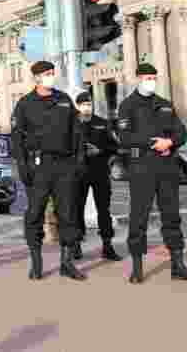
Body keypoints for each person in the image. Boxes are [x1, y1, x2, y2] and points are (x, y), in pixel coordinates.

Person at [117, 63, 187, 285]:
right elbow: (125, 137)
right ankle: (137, 268)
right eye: (147, 77)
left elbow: (181, 132)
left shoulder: (165, 105)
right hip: (141, 168)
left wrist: (170, 142)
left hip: (167, 168)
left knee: (172, 217)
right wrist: (152, 143)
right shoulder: (128, 106)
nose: (151, 81)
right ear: (138, 79)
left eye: (154, 77)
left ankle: (178, 266)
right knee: (139, 217)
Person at [11, 61, 86, 281]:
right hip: (39, 165)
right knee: (34, 214)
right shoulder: (25, 104)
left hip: (64, 165)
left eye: (52, 73)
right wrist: (23, 167)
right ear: (36, 78)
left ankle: (67, 262)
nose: (51, 77)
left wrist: (78, 162)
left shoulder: (63, 100)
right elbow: (17, 139)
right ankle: (36, 263)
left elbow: (77, 133)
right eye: (46, 74)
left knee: (68, 214)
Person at [73, 91, 121, 261]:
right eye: (84, 104)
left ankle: (107, 246)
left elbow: (115, 146)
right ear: (78, 106)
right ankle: (76, 245)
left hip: (100, 171)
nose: (88, 107)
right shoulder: (71, 124)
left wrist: (100, 151)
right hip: (79, 173)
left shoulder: (102, 123)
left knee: (104, 210)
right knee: (76, 209)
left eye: (90, 104)